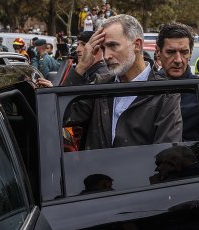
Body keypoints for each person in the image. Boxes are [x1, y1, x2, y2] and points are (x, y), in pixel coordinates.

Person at [39, 14, 182, 150]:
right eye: (102, 48)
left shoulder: (166, 94)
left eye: (113, 46)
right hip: (94, 175)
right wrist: (81, 67)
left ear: (137, 45)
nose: (106, 56)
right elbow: (62, 116)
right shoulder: (99, 86)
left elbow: (166, 155)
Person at [155, 23, 199, 141]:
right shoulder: (143, 89)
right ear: (158, 52)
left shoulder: (196, 89)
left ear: (190, 53)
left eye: (184, 52)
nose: (178, 60)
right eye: (170, 52)